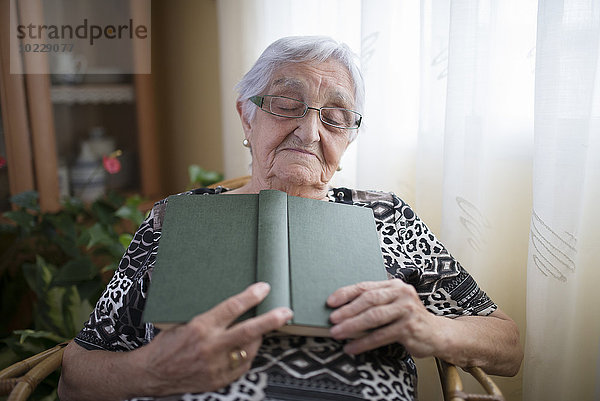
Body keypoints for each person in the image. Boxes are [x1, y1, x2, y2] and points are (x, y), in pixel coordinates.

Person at [58, 36, 523, 401]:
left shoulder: (387, 216)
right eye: (285, 104)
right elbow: (75, 375)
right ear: (247, 115)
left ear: (350, 137)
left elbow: (507, 345)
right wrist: (151, 371)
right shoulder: (175, 217)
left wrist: (429, 326)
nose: (309, 130)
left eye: (336, 116)